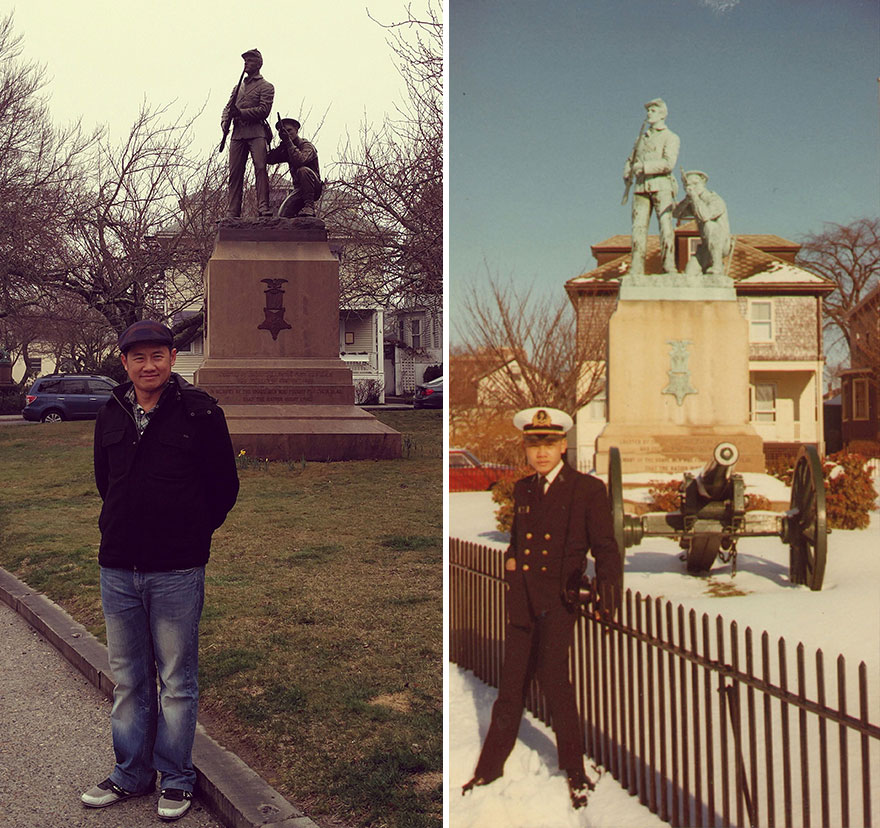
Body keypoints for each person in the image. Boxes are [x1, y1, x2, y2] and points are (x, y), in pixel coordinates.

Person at [81, 320, 239, 822]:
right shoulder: (111, 411)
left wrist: (190, 533)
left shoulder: (200, 411)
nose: (148, 366)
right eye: (138, 357)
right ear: (124, 362)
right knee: (129, 679)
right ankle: (130, 773)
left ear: (172, 358)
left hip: (176, 568)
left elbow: (223, 487)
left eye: (157, 356)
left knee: (176, 680)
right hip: (118, 567)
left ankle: (176, 777)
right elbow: (106, 481)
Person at [462, 407, 622, 809]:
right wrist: (512, 562)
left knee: (555, 684)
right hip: (524, 602)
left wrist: (608, 595)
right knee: (510, 687)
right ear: (526, 448)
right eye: (534, 444)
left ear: (564, 445)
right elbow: (518, 541)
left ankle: (575, 770)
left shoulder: (586, 489)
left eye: (549, 443)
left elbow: (605, 547)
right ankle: (489, 768)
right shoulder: (524, 489)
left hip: (558, 601)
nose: (542, 452)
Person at [623, 98, 680, 276]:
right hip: (640, 187)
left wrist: (644, 167)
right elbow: (631, 159)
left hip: (662, 185)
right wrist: (627, 171)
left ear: (662, 114)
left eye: (653, 111)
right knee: (638, 227)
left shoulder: (671, 137)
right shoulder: (640, 138)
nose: (649, 114)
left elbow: (668, 163)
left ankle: (668, 264)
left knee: (665, 225)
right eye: (648, 111)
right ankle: (637, 266)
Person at [221, 48, 274, 218]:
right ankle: (233, 210)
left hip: (256, 132)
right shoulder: (238, 88)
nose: (246, 63)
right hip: (237, 134)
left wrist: (241, 113)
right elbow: (227, 108)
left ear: (258, 64)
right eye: (245, 61)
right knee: (235, 173)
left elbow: (264, 110)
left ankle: (263, 207)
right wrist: (224, 123)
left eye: (250, 60)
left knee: (260, 168)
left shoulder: (266, 86)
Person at [673, 169, 732, 277]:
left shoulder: (715, 200)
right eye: (689, 185)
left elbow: (705, 216)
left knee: (710, 225)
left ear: (703, 183)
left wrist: (694, 197)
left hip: (721, 244)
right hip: (705, 248)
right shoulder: (695, 202)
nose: (692, 187)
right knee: (690, 272)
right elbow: (676, 214)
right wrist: (687, 199)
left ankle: (717, 265)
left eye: (695, 184)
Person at [266, 117, 323, 218]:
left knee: (303, 170)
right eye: (284, 132)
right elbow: (269, 159)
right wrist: (267, 140)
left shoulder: (306, 146)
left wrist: (288, 142)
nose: (287, 134)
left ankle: (309, 207)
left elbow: (300, 161)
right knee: (283, 215)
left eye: (289, 130)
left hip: (314, 187)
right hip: (298, 189)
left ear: (296, 130)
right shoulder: (286, 147)